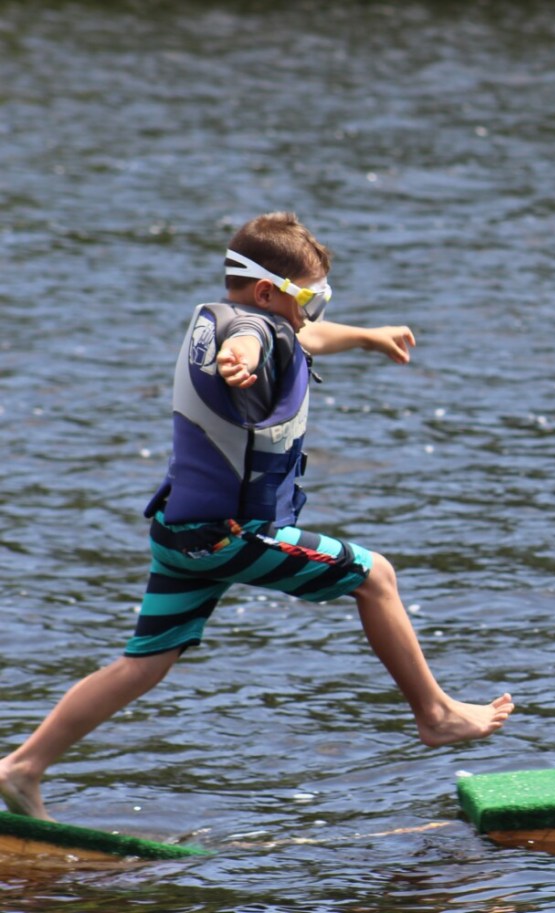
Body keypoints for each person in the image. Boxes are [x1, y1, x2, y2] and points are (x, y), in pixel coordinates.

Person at [0, 212, 514, 821]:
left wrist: (368, 335)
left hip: (179, 533)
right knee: (376, 576)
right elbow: (247, 345)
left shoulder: (237, 318)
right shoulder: (247, 335)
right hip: (226, 538)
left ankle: (21, 768)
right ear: (269, 292)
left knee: (143, 663)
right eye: (311, 299)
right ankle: (436, 715)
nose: (314, 313)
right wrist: (235, 364)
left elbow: (296, 338)